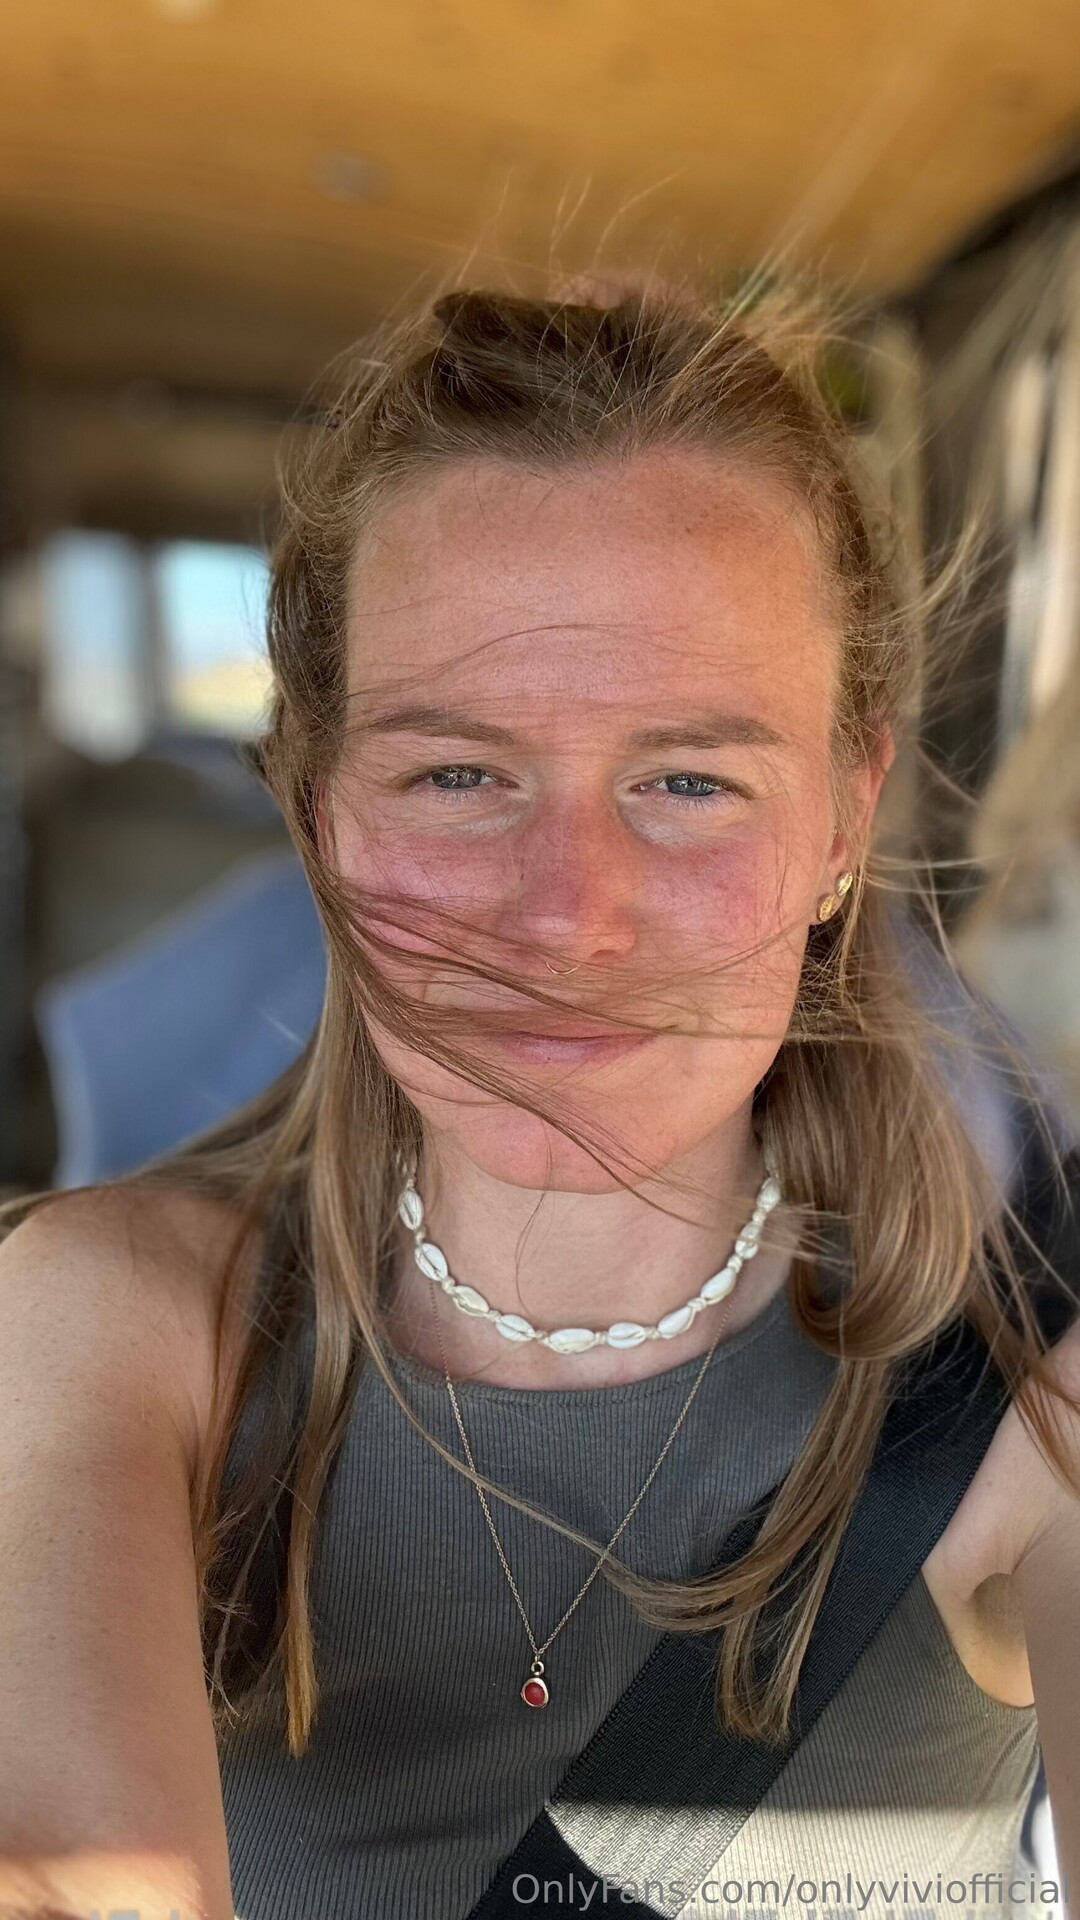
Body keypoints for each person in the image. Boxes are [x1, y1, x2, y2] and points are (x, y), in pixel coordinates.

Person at [3, 272, 1080, 1920]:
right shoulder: (110, 1329)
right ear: (317, 811)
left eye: (689, 780)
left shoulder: (1030, 1393)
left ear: (844, 823)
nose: (568, 916)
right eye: (458, 773)